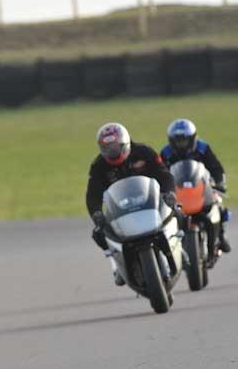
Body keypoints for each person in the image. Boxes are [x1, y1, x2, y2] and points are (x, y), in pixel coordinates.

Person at [86, 122, 178, 286]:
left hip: (151, 202)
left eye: (115, 147)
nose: (111, 152)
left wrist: (170, 192)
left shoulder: (144, 152)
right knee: (99, 232)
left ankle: (180, 246)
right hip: (121, 209)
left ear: (125, 143)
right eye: (107, 148)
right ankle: (116, 266)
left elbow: (164, 174)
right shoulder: (98, 165)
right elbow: (92, 194)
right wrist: (96, 213)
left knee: (179, 213)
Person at [160, 118, 230, 253]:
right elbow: (160, 172)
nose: (182, 144)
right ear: (171, 141)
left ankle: (221, 235)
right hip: (179, 192)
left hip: (202, 188)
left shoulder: (203, 148)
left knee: (218, 203)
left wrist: (220, 182)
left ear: (192, 138)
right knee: (165, 215)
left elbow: (216, 167)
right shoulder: (166, 153)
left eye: (184, 140)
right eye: (178, 141)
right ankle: (170, 248)